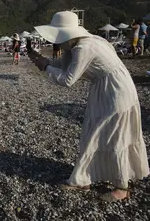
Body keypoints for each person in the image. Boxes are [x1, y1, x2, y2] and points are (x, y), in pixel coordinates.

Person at [30, 11, 149, 202]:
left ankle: (122, 187)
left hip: (116, 91)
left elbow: (68, 79)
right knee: (91, 133)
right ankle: (83, 178)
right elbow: (64, 65)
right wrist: (46, 63)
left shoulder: (84, 48)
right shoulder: (83, 43)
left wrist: (46, 67)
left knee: (113, 135)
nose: (58, 42)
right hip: (106, 89)